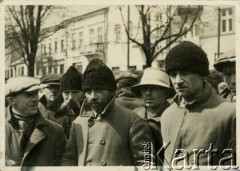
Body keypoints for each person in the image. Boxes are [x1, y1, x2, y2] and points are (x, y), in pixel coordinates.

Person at [61, 58, 156, 166]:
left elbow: (147, 162)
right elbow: (68, 159)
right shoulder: (79, 123)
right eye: (88, 91)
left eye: (99, 90)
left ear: (111, 91)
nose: (93, 97)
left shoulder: (133, 121)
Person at [161, 41, 236, 167]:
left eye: (185, 73)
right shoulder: (167, 115)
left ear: (201, 74)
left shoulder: (230, 113)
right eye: (173, 75)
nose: (178, 81)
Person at [5, 76, 66, 166]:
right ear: (11, 100)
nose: (35, 99)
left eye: (36, 94)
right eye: (28, 95)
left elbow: (64, 163)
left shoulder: (56, 130)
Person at [131, 67, 174, 148]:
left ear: (166, 92)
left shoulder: (175, 116)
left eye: (154, 88)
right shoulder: (134, 115)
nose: (148, 93)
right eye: (144, 88)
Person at [55, 66, 85, 138]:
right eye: (66, 93)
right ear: (61, 93)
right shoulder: (52, 113)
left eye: (75, 92)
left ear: (84, 93)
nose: (70, 98)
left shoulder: (92, 113)